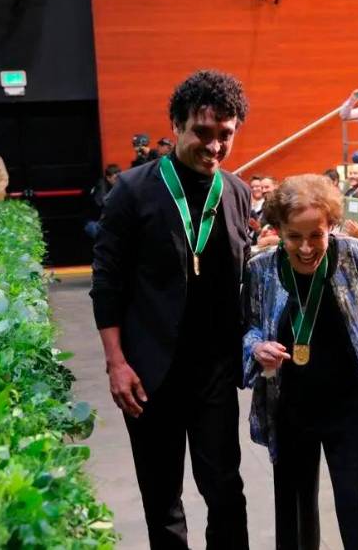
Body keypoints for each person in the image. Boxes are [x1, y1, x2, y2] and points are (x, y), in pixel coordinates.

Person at [90, 70, 251, 549]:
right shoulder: (133, 191)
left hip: (214, 374)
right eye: (203, 132)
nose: (215, 146)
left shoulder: (237, 193)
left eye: (226, 135)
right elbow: (107, 282)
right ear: (177, 125)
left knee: (225, 491)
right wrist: (116, 363)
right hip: (148, 373)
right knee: (162, 500)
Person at [243, 174, 358, 549]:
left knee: (355, 502)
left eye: (316, 234)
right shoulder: (262, 269)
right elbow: (248, 328)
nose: (307, 247)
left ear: (330, 224)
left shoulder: (354, 257)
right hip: (290, 407)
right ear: (278, 229)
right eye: (294, 236)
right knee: (293, 509)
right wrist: (255, 348)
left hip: (349, 408)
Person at [84, 163, 121, 239]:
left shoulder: (118, 186)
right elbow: (102, 203)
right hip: (94, 221)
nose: (118, 181)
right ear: (108, 178)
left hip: (107, 221)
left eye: (120, 178)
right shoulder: (101, 186)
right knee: (103, 238)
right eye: (116, 178)